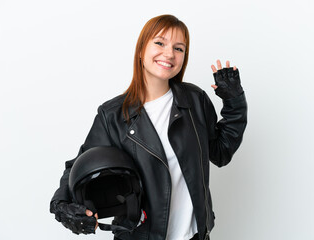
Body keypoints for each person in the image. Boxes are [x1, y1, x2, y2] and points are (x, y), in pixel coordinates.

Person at [50, 14, 247, 240]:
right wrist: (61, 206)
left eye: (179, 48)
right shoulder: (113, 115)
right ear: (142, 49)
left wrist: (235, 101)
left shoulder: (194, 101)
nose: (169, 53)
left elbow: (220, 153)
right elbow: (79, 166)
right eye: (160, 43)